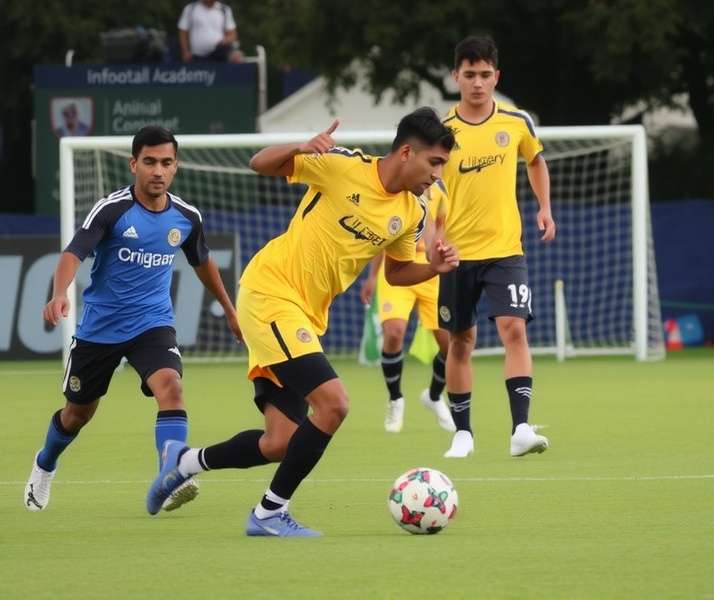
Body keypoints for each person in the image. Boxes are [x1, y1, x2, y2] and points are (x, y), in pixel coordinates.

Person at [146, 108, 459, 537]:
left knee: (280, 442)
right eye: (435, 163)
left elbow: (397, 273)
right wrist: (300, 147)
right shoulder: (342, 166)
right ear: (406, 152)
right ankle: (269, 513)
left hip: (305, 317)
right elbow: (259, 164)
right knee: (334, 403)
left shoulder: (412, 213)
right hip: (271, 293)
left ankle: (185, 461)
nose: (438, 176)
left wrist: (433, 267)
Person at [24, 126, 241, 513]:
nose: (158, 170)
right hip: (100, 330)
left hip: (152, 325)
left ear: (176, 167)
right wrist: (59, 293)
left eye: (166, 163)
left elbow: (202, 261)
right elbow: (73, 253)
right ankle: (45, 465)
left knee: (171, 387)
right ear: (133, 164)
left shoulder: (186, 217)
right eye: (150, 162)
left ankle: (170, 476)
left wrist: (228, 307)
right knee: (77, 414)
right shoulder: (113, 209)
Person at [437, 36, 555, 459]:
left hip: (506, 249)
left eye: (485, 75)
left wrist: (544, 207)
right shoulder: (441, 131)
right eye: (469, 75)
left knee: (514, 329)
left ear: (496, 77)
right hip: (455, 254)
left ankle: (521, 427)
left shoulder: (515, 123)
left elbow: (536, 160)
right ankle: (463, 433)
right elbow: (420, 185)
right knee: (460, 342)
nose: (477, 83)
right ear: (456, 77)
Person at [360, 180, 455, 433]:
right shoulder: (397, 192)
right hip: (397, 267)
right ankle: (395, 398)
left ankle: (433, 397)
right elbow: (383, 237)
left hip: (430, 271)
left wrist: (442, 255)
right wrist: (371, 277)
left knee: (451, 345)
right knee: (393, 333)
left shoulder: (440, 194)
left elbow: (440, 231)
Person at [178, 0, 243, 63]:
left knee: (236, 56)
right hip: (196, 57)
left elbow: (233, 34)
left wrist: (225, 41)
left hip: (219, 57)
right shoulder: (190, 9)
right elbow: (183, 32)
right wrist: (185, 52)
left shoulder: (224, 9)